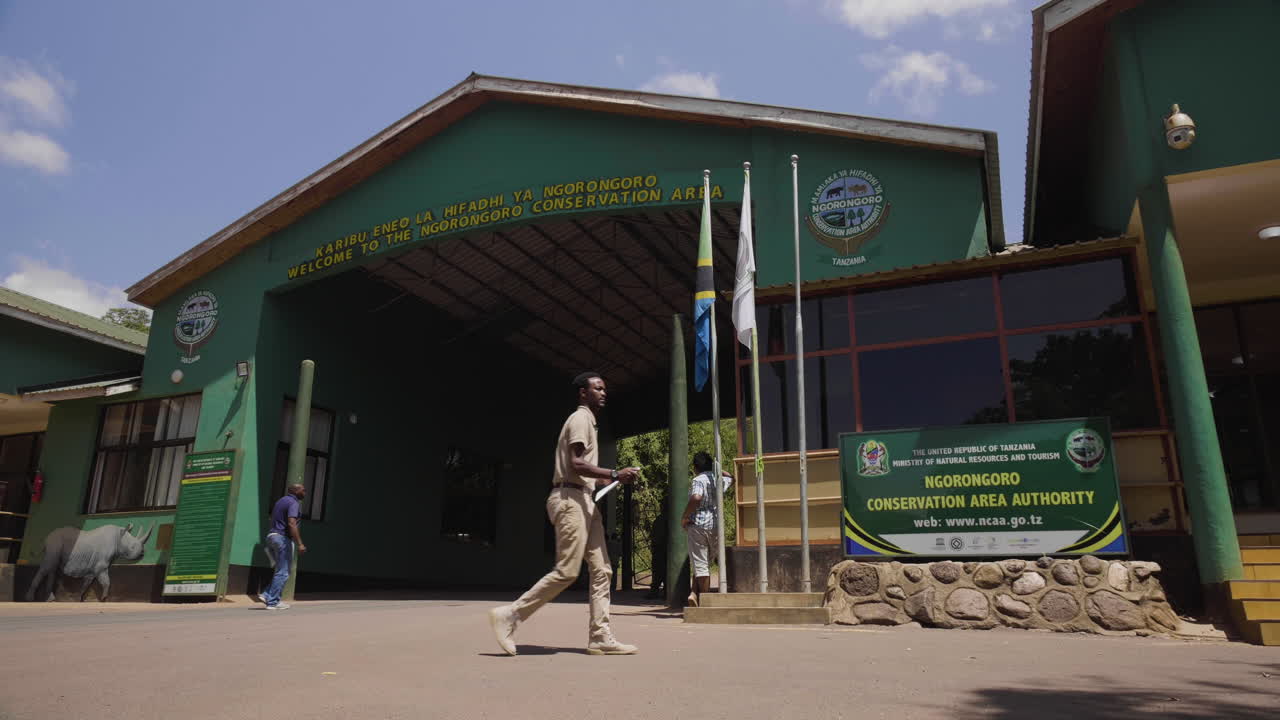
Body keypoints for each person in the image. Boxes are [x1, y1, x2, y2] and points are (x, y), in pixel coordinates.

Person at [488, 372, 641, 656]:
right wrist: (612, 472)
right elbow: (576, 463)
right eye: (597, 388)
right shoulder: (581, 418)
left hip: (584, 499)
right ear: (583, 393)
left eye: (605, 389)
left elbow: (582, 471)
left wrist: (610, 479)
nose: (603, 393)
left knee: (602, 569)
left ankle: (600, 636)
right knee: (567, 571)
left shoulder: (590, 423)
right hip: (570, 499)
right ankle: (510, 615)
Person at [680, 451, 732, 607]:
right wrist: (718, 470)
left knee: (700, 564)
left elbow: (696, 497)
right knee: (703, 563)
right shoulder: (718, 479)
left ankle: (705, 601)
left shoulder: (698, 480)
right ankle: (694, 594)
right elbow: (731, 478)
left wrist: (685, 516)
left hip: (699, 525)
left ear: (695, 467)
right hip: (716, 525)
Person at [261, 483, 307, 610]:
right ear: (296, 491)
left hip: (271, 536)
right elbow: (292, 523)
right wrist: (300, 543)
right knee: (283, 572)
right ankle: (272, 602)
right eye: (303, 490)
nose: (305, 493)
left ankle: (267, 594)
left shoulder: (281, 501)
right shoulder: (293, 503)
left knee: (281, 570)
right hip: (282, 539)